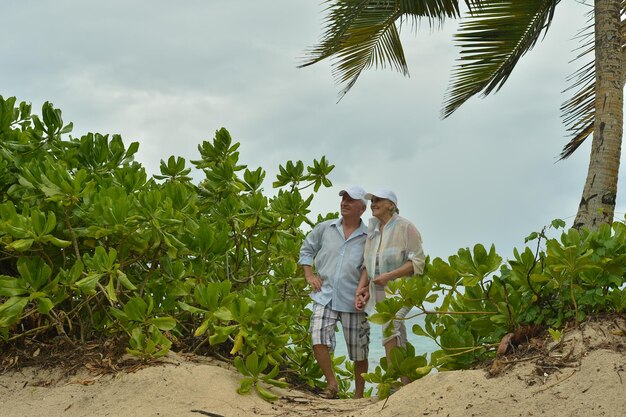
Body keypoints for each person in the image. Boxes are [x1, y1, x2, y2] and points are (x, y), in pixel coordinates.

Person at [298, 186, 370, 399]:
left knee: (360, 352)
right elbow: (306, 249)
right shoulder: (325, 228)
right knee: (317, 337)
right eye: (343, 199)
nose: (344, 203)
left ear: (362, 208)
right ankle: (332, 385)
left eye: (351, 200)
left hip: (353, 300)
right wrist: (309, 275)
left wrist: (365, 291)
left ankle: (358, 396)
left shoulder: (369, 237)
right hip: (325, 295)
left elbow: (371, 267)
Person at [355, 188, 425, 386]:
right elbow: (367, 266)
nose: (373, 203)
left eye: (378, 200)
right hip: (379, 292)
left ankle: (394, 380)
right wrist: (362, 289)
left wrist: (389, 276)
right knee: (397, 332)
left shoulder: (406, 227)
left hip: (405, 290)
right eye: (372, 200)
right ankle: (406, 383)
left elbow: (418, 263)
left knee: (390, 327)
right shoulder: (373, 230)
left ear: (391, 205)